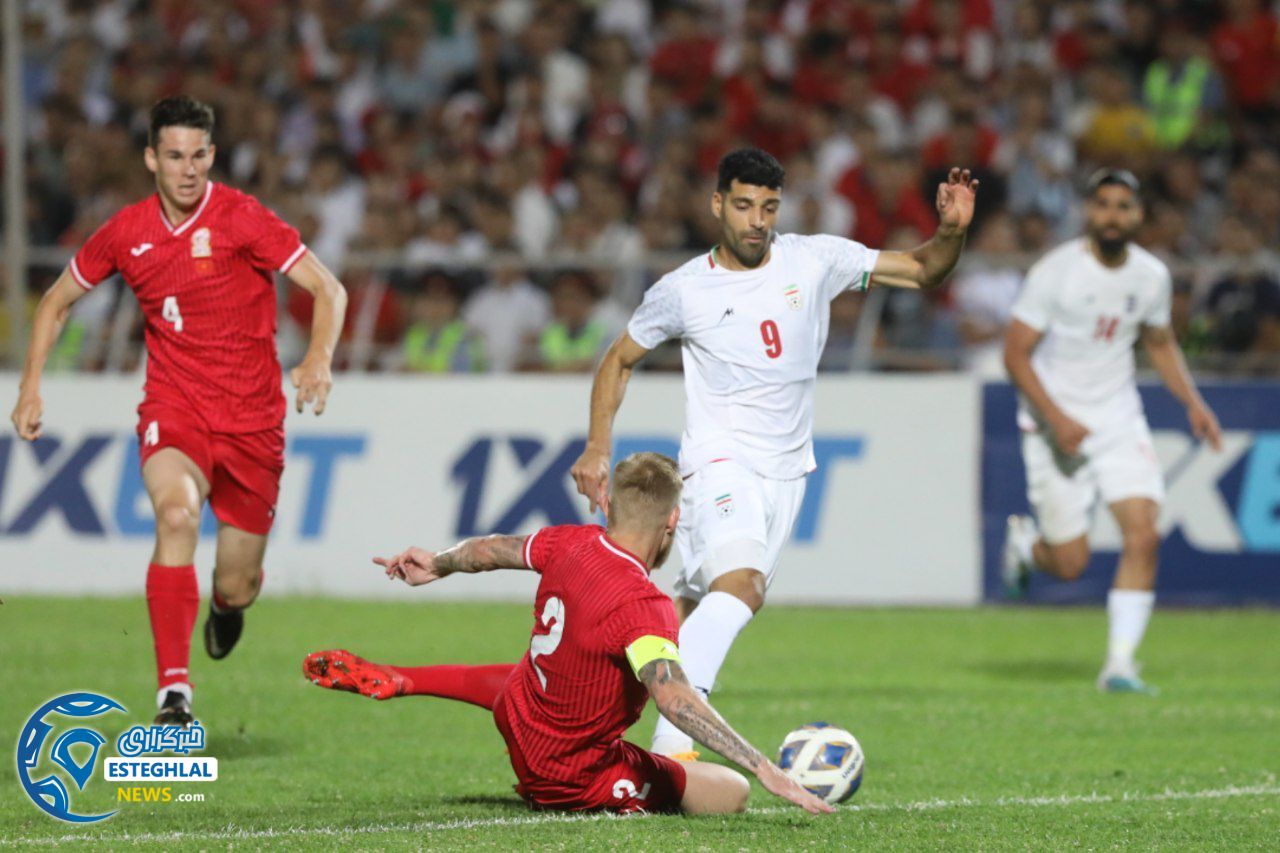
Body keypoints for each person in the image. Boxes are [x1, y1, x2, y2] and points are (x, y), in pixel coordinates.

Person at [569, 148, 978, 758]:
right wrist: (598, 443)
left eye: (768, 207)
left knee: (686, 612)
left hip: (787, 473)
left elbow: (922, 271)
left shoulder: (813, 258)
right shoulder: (684, 289)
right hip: (718, 461)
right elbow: (619, 359)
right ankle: (672, 744)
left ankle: (581, 713)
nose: (757, 220)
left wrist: (949, 232)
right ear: (717, 205)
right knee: (742, 586)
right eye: (742, 205)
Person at [10, 96, 348, 724]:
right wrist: (31, 386)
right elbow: (55, 303)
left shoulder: (243, 219)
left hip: (254, 425)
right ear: (150, 159)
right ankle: (174, 692)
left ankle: (224, 607)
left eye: (198, 156)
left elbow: (328, 288)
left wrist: (319, 359)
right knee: (174, 515)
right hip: (176, 408)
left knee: (237, 582)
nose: (187, 169)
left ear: (212, 156)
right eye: (173, 156)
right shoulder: (126, 232)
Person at [303, 453, 830, 816]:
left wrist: (438, 564)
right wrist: (764, 769)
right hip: (570, 773)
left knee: (529, 679)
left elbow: (490, 550)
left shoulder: (567, 542)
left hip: (520, 715)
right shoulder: (645, 606)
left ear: (608, 506)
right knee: (730, 793)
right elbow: (672, 696)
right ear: (673, 521)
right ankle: (552, 785)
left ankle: (405, 679)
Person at [1001, 168, 1222, 694]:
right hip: (1053, 424)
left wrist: (1193, 402)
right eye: (1103, 204)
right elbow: (1014, 354)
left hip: (1118, 417)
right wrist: (1057, 419)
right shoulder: (1056, 273)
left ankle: (1120, 665)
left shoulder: (1150, 276)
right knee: (1071, 564)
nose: (1113, 216)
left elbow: (1160, 341)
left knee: (1144, 534)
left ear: (1139, 215)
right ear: (1088, 212)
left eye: (1124, 206)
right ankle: (1028, 548)